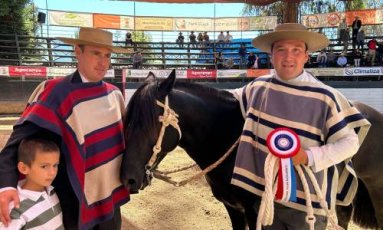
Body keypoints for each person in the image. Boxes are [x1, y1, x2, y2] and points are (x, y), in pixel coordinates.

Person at [231, 23, 370, 230]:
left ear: (306, 56)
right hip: (267, 197)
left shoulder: (326, 97)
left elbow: (350, 143)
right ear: (271, 55)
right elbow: (226, 98)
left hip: (308, 206)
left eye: (296, 50)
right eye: (281, 50)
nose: (288, 57)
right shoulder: (257, 87)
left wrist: (308, 157)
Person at [0, 27, 130, 229]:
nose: (103, 62)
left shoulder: (115, 95)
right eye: (96, 53)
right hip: (73, 201)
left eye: (107, 55)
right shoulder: (55, 92)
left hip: (109, 201)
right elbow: (15, 145)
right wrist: (6, 185)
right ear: (77, 51)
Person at [0, 138, 63, 229]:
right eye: (44, 166)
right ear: (23, 168)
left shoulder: (51, 190)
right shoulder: (16, 208)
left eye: (55, 165)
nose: (52, 172)